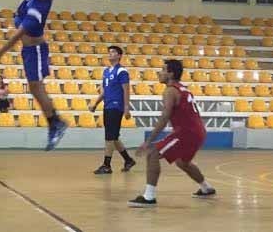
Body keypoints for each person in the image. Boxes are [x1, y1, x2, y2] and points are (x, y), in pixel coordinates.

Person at [0, 0, 75, 151]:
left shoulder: (38, 9)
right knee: (35, 87)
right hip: (29, 50)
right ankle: (55, 121)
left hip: (35, 50)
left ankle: (55, 122)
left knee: (36, 87)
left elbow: (17, 36)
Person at [128, 60, 216, 207]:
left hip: (186, 133)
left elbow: (164, 117)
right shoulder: (182, 88)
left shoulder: (170, 90)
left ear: (171, 73)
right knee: (183, 162)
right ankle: (206, 188)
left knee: (153, 154)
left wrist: (149, 141)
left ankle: (149, 197)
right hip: (198, 132)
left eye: (163, 70)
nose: (159, 73)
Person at [89, 46, 135, 174]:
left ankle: (106, 165)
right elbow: (104, 92)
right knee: (113, 136)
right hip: (107, 106)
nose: (110, 54)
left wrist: (126, 108)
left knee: (109, 136)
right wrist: (95, 104)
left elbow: (126, 90)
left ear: (119, 56)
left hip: (116, 106)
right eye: (109, 52)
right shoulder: (106, 72)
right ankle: (128, 160)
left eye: (113, 52)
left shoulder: (122, 72)